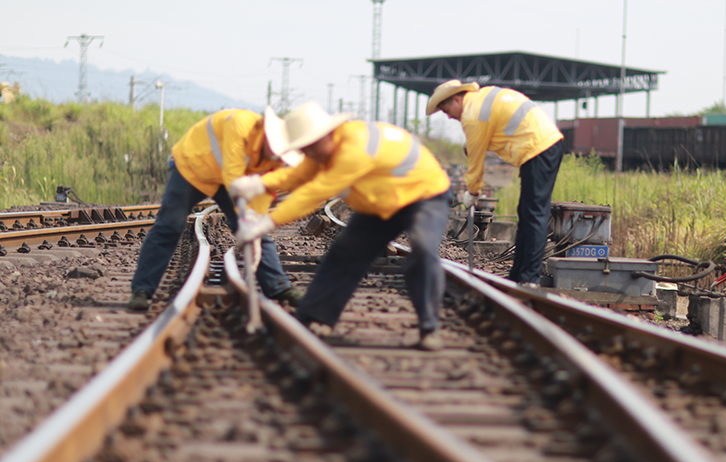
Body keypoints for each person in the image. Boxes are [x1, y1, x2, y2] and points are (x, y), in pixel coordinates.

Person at [230, 102, 452, 351]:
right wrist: (259, 184)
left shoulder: (354, 148)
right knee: (345, 253)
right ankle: (314, 317)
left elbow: (313, 193)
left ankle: (429, 329)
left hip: (423, 196)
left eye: (311, 147)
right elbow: (297, 176)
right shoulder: (322, 150)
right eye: (304, 149)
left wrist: (266, 223)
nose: (309, 154)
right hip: (379, 202)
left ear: (327, 134)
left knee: (423, 251)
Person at [128, 108, 300, 311]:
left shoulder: (278, 158)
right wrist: (246, 217)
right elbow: (233, 175)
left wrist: (254, 224)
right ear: (268, 135)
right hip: (193, 168)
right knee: (170, 225)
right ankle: (142, 291)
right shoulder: (240, 124)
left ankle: (279, 288)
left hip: (229, 180)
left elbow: (266, 190)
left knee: (257, 231)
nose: (277, 154)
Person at [426, 80, 563, 286]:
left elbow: (475, 164)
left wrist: (472, 192)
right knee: (526, 213)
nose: (448, 116)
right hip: (540, 146)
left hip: (539, 148)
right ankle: (519, 275)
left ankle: (529, 279)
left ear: (456, 99)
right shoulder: (481, 99)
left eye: (447, 109)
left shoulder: (472, 115)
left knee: (534, 213)